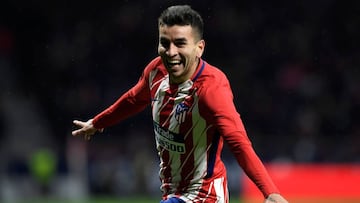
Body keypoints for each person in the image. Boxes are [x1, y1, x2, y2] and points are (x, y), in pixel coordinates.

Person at [72, 5, 289, 203]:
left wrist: (270, 192)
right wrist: (98, 122)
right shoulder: (156, 71)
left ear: (199, 48)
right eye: (164, 43)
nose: (171, 52)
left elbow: (238, 142)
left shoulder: (210, 89)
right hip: (173, 193)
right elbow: (133, 99)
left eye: (180, 43)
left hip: (204, 195)